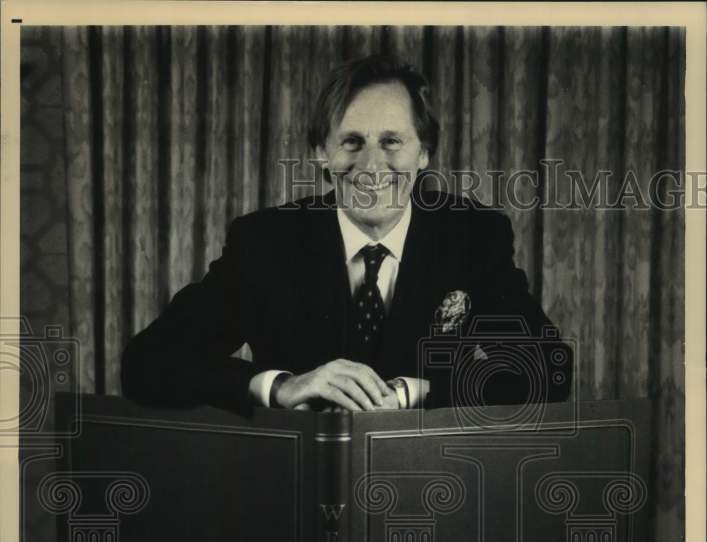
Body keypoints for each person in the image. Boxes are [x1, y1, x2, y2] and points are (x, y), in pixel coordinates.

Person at [121, 55, 571, 414]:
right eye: (351, 141)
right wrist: (279, 386)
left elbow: (549, 369)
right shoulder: (266, 243)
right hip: (292, 489)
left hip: (428, 486)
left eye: (392, 142)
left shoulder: (472, 237)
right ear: (321, 153)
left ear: (424, 153)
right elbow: (146, 364)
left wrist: (415, 393)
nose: (372, 165)